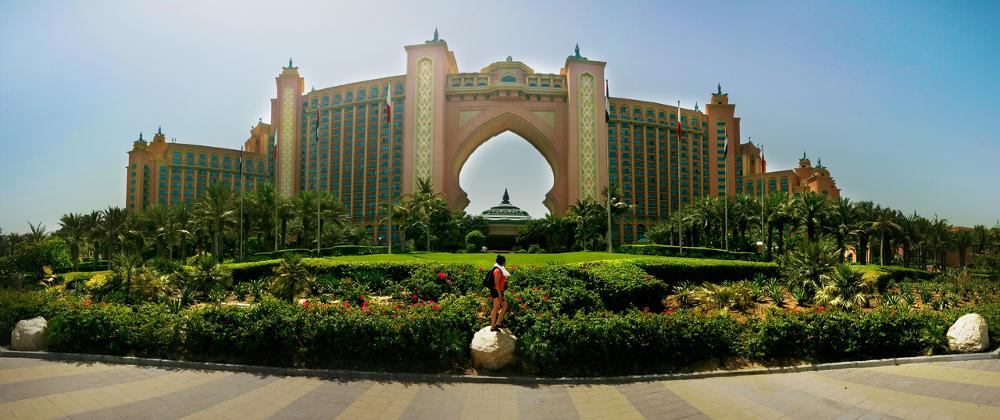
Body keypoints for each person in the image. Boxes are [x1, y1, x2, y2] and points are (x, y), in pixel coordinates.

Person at [488, 254, 510, 332]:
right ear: (503, 262)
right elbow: (496, 284)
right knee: (496, 307)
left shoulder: (500, 269)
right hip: (496, 291)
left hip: (499, 291)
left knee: (504, 306)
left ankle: (498, 323)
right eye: (505, 261)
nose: (506, 262)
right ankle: (493, 326)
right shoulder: (497, 270)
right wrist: (500, 294)